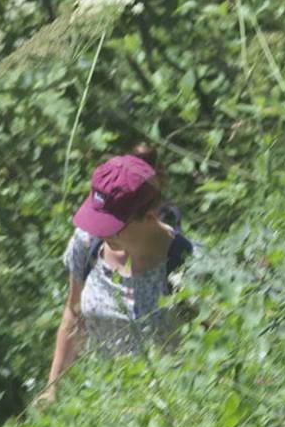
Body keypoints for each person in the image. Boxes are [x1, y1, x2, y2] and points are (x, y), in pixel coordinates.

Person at [37, 144, 199, 409]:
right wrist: (53, 389)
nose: (100, 233)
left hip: (167, 410)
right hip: (99, 403)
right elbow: (73, 314)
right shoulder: (88, 243)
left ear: (150, 216)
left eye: (111, 228)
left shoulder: (186, 264)